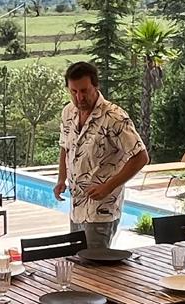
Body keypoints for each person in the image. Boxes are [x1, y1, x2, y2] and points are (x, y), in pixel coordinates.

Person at [53, 60, 149, 251]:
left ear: (96, 86)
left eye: (84, 91)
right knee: (77, 261)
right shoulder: (68, 112)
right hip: (77, 206)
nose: (79, 97)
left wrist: (108, 187)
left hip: (101, 209)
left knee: (96, 264)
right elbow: (65, 147)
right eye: (74, 91)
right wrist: (61, 178)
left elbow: (141, 157)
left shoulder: (114, 117)